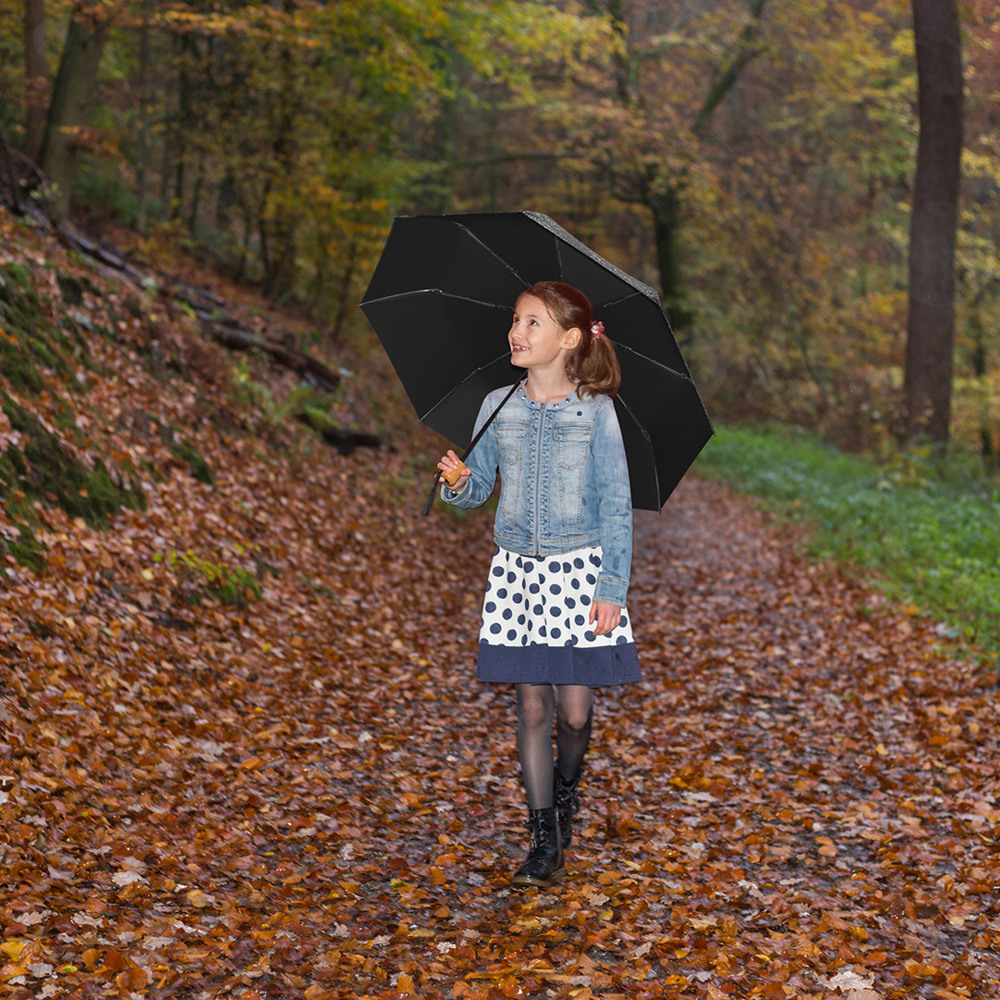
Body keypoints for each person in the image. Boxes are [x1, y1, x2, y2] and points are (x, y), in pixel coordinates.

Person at [437, 280, 640, 888]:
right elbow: (477, 493)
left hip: (580, 572)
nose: (515, 333)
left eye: (531, 323)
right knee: (532, 705)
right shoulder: (500, 405)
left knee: (574, 715)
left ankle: (567, 794)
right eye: (515, 321)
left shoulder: (597, 411)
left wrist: (613, 585)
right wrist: (458, 480)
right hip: (519, 573)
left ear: (569, 339)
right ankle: (543, 835)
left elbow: (617, 504)